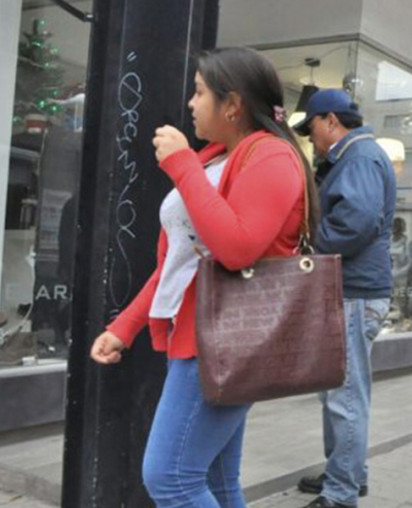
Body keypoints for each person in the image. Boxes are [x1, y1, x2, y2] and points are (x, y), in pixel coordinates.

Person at [90, 47, 316, 507]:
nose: (190, 104)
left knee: (170, 478)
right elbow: (180, 260)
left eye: (199, 92)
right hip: (205, 337)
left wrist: (182, 165)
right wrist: (124, 326)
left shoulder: (269, 156)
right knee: (214, 481)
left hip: (223, 341)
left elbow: (236, 249)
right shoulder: (224, 158)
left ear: (231, 104)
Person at [293, 89, 395, 508]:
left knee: (344, 397)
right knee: (339, 392)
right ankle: (349, 475)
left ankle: (341, 494)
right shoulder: (356, 157)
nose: (310, 137)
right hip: (351, 291)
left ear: (332, 121)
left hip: (354, 292)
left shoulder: (358, 157)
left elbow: (357, 221)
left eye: (312, 127)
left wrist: (308, 244)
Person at [391, 217, 412, 321]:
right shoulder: (388, 241)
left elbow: (411, 262)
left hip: (402, 279)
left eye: (397, 227)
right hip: (388, 278)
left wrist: (401, 274)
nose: (395, 230)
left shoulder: (407, 242)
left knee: (401, 305)